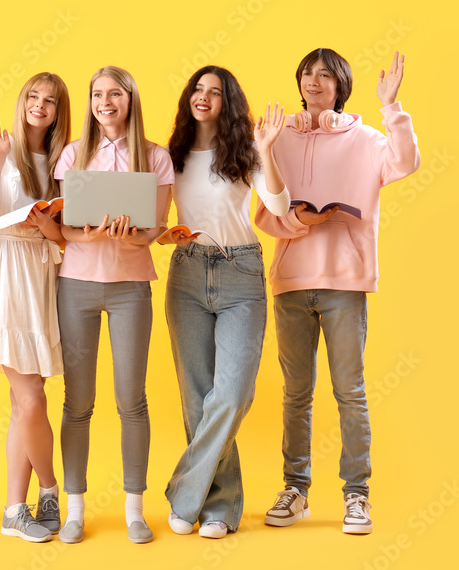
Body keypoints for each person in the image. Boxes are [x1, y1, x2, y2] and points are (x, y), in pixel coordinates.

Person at [256, 49, 419, 535]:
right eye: (307, 73)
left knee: (350, 392)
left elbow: (405, 163)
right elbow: (264, 214)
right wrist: (295, 220)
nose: (314, 80)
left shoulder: (366, 138)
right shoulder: (277, 136)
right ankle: (296, 489)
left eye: (325, 74)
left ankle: (356, 496)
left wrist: (392, 107)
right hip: (290, 284)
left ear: (340, 85)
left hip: (345, 283)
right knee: (295, 394)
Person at [161, 67, 289, 539]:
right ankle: (218, 508)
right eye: (198, 88)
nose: (204, 96)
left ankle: (183, 491)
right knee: (198, 398)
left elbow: (278, 207)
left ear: (227, 102)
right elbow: (157, 220)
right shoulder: (170, 153)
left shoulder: (246, 150)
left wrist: (268, 149)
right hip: (187, 271)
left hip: (240, 273)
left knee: (231, 394)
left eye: (215, 92)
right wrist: (163, 234)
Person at [53, 66, 174, 544]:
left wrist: (131, 237)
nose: (105, 102)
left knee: (131, 399)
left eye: (115, 94)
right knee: (77, 402)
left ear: (131, 100)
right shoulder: (72, 155)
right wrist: (92, 234)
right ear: (90, 102)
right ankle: (75, 510)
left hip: (130, 289)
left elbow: (158, 228)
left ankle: (134, 510)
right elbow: (62, 230)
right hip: (77, 285)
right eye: (97, 95)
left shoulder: (156, 157)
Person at [0, 73, 71, 543]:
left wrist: (45, 222)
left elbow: (65, 236)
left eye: (50, 101)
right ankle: (49, 490)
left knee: (23, 406)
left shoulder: (64, 160)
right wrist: (0, 158)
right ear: (22, 100)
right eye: (33, 96)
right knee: (32, 400)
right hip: (3, 270)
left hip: (41, 274)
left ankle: (13, 510)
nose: (40, 105)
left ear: (58, 110)